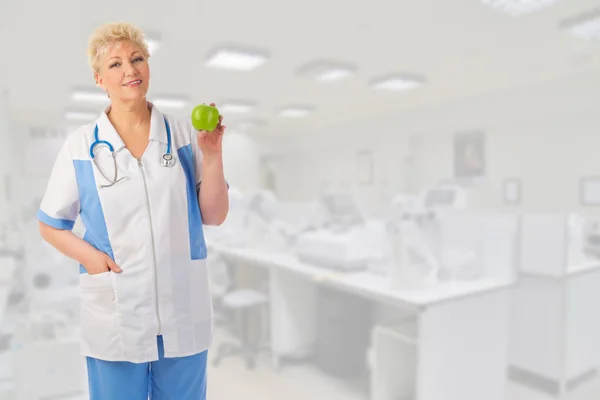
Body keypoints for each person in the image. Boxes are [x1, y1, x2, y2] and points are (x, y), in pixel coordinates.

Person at [36, 22, 229, 400]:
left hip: (182, 306)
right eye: (115, 64)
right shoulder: (80, 147)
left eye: (137, 58)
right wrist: (93, 260)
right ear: (99, 79)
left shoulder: (184, 135)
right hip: (117, 308)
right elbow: (50, 225)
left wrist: (212, 155)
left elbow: (215, 215)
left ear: (149, 66)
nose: (130, 70)